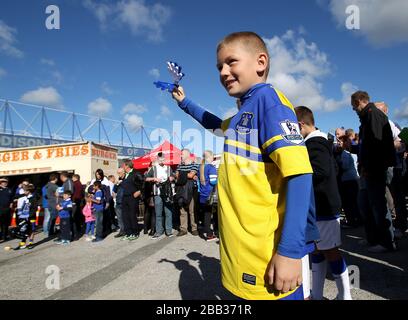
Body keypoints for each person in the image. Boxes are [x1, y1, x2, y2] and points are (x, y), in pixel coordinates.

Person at [171, 31, 317, 300]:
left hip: (266, 261)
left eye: (231, 62)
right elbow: (214, 123)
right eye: (219, 67)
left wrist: (290, 251)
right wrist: (184, 102)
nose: (224, 72)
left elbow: (300, 175)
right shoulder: (242, 114)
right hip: (240, 260)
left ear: (260, 62)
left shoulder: (269, 100)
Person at [295, 106, 352, 300]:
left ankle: (346, 296)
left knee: (331, 251)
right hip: (321, 206)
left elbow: (321, 172)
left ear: (301, 124)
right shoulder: (321, 142)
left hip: (325, 206)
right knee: (317, 251)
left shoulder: (315, 143)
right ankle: (317, 294)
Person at [351, 91, 396, 253]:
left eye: (353, 106)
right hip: (370, 169)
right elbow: (366, 146)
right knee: (370, 205)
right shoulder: (368, 117)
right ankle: (377, 239)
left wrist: (369, 167)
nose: (353, 110)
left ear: (358, 102)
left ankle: (386, 242)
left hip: (375, 170)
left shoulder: (372, 115)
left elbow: (376, 146)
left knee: (379, 206)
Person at [375, 102, 407, 239]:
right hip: (384, 167)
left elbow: (402, 143)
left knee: (397, 198)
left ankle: (401, 226)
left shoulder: (390, 124)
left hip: (395, 167)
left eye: (379, 111)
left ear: (386, 111)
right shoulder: (376, 125)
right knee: (390, 200)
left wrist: (384, 145)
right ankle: (395, 226)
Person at [145, 153, 175, 239]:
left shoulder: (168, 168)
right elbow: (146, 178)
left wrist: (172, 178)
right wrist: (154, 179)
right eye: (160, 159)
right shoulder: (154, 168)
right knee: (158, 213)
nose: (162, 160)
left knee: (168, 212)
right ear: (157, 159)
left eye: (163, 159)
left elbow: (174, 177)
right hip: (157, 193)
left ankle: (168, 231)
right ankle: (158, 231)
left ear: (165, 159)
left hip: (167, 193)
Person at [337, 135, 362, 227]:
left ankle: (352, 221)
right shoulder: (350, 152)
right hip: (353, 179)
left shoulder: (345, 153)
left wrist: (338, 162)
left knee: (349, 203)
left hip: (348, 180)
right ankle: (357, 220)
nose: (338, 143)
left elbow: (345, 166)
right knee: (354, 202)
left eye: (340, 142)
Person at [175, 149, 199, 237]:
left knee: (191, 210)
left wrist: (182, 174)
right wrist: (187, 174)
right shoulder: (179, 165)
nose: (180, 156)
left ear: (187, 155)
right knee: (182, 210)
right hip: (181, 190)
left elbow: (191, 175)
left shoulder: (194, 164)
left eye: (182, 154)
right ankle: (183, 229)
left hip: (190, 190)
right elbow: (176, 175)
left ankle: (194, 228)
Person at [121, 159, 144, 241]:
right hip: (125, 197)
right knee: (125, 216)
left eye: (122, 165)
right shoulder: (126, 174)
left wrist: (139, 191)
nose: (122, 166)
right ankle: (128, 233)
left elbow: (144, 183)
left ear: (127, 165)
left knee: (132, 215)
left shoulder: (136, 173)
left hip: (132, 197)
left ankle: (135, 233)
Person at [198, 150, 218, 241]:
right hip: (211, 195)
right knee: (215, 214)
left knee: (206, 214)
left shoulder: (201, 167)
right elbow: (213, 182)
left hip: (202, 194)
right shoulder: (211, 168)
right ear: (210, 157)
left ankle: (208, 232)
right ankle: (213, 233)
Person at [15, 184, 37, 250]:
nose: (24, 192)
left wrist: (29, 215)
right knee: (24, 229)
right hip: (24, 217)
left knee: (31, 230)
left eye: (25, 191)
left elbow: (34, 208)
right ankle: (22, 243)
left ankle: (30, 243)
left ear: (29, 191)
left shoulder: (33, 198)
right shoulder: (24, 197)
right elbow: (16, 197)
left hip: (31, 217)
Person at [113, 168, 126, 238]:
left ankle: (126, 230)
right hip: (118, 201)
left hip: (124, 201)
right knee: (119, 218)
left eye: (119, 173)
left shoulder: (126, 179)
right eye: (118, 173)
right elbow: (114, 190)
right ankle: (122, 231)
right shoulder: (118, 180)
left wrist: (122, 183)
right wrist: (116, 184)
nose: (118, 174)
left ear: (123, 172)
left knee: (125, 217)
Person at [143, 163, 156, 236]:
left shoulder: (145, 174)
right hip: (151, 195)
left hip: (146, 195)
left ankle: (146, 229)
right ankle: (152, 229)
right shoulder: (152, 175)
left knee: (147, 212)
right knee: (152, 213)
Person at [0, 177, 13, 242]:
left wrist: (11, 203)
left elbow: (11, 198)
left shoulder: (9, 190)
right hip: (0, 208)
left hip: (7, 208)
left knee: (6, 223)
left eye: (6, 182)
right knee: (1, 223)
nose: (5, 183)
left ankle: (4, 236)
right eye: (4, 182)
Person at [72, 174, 85, 239]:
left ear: (75, 178)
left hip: (74, 202)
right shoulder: (81, 184)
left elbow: (71, 193)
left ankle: (76, 232)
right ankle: (79, 228)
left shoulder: (74, 184)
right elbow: (83, 194)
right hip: (80, 202)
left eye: (72, 178)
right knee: (78, 216)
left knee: (74, 217)